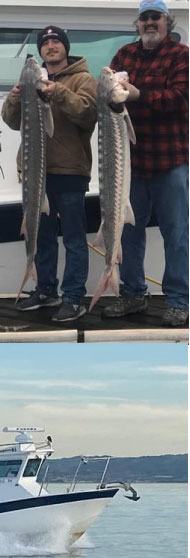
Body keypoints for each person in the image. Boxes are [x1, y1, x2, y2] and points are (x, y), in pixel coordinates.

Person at [1, 25, 97, 322]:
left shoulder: (84, 79)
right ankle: (45, 290)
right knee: (40, 235)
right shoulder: (31, 78)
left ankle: (73, 297)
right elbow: (10, 120)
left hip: (69, 171)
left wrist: (58, 92)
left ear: (65, 47)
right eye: (46, 43)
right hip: (34, 173)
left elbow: (88, 113)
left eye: (56, 41)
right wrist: (17, 95)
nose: (51, 46)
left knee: (73, 238)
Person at [103, 0, 189, 327]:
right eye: (145, 19)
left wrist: (140, 95)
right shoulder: (124, 55)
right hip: (131, 166)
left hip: (171, 161)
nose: (150, 23)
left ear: (168, 22)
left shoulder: (182, 56)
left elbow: (180, 99)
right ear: (137, 24)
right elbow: (109, 97)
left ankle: (179, 300)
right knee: (129, 233)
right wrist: (112, 93)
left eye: (156, 18)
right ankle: (133, 294)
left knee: (177, 234)